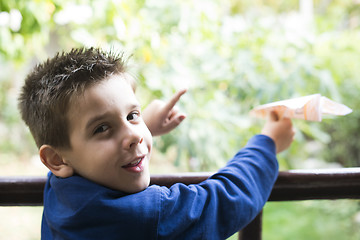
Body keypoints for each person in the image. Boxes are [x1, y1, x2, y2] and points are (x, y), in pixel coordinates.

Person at [18, 47, 295, 239]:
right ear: (55, 159)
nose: (135, 135)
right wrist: (267, 142)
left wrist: (145, 124)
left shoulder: (63, 189)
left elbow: (86, 152)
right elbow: (224, 200)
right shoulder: (145, 217)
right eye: (102, 128)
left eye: (132, 115)